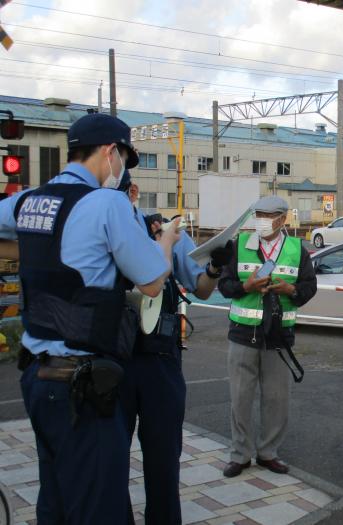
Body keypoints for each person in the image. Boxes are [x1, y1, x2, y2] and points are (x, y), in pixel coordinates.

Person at [0, 113, 179, 524]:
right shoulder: (108, 203)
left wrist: (30, 250)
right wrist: (166, 243)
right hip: (83, 387)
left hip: (35, 376)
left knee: (56, 498)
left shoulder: (29, 201)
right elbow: (152, 282)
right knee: (100, 504)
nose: (121, 171)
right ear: (110, 152)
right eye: (124, 160)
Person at [116, 172, 233, 524]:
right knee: (110, 458)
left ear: (132, 193)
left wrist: (214, 266)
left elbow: (200, 289)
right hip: (111, 358)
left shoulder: (161, 228)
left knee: (164, 459)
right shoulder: (94, 227)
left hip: (160, 359)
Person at [218, 195, 317, 478]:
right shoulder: (240, 246)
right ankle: (240, 454)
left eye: (268, 215)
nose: (262, 219)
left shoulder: (298, 250)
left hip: (278, 337)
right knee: (240, 398)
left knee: (276, 399)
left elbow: (309, 288)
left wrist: (291, 290)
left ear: (283, 219)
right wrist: (245, 286)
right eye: (258, 214)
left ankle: (268, 453)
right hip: (242, 334)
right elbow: (224, 285)